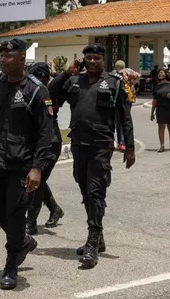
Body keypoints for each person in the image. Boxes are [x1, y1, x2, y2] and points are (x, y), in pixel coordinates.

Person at [0, 39, 54, 290]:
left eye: (9, 55)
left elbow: (46, 133)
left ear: (22, 58)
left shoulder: (37, 90)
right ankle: (22, 240)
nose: (3, 59)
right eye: (1, 54)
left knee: (15, 213)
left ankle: (11, 264)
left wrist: (37, 168)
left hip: (22, 164)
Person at [49, 43, 135, 269]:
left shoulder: (115, 84)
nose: (93, 62)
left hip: (101, 146)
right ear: (83, 60)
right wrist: (67, 72)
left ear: (103, 60)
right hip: (78, 144)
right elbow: (51, 92)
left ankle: (93, 240)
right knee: (85, 190)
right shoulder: (74, 81)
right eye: (89, 58)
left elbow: (125, 117)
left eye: (97, 58)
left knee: (96, 191)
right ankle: (99, 238)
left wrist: (130, 147)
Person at [25, 62, 64, 235]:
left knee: (37, 182)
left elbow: (58, 81)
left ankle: (31, 222)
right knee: (38, 180)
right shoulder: (37, 90)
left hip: (51, 142)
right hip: (39, 142)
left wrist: (61, 73)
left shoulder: (48, 90)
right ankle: (55, 209)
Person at [112, 60, 139, 151]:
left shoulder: (115, 74)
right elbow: (137, 76)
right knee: (126, 120)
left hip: (119, 100)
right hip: (128, 100)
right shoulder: (129, 72)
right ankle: (125, 142)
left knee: (119, 121)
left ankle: (122, 142)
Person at [150, 68, 170, 152]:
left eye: (162, 73)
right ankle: (162, 145)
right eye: (159, 73)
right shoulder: (156, 86)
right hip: (160, 108)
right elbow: (154, 100)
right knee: (161, 126)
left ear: (165, 74)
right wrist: (152, 112)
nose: (160, 74)